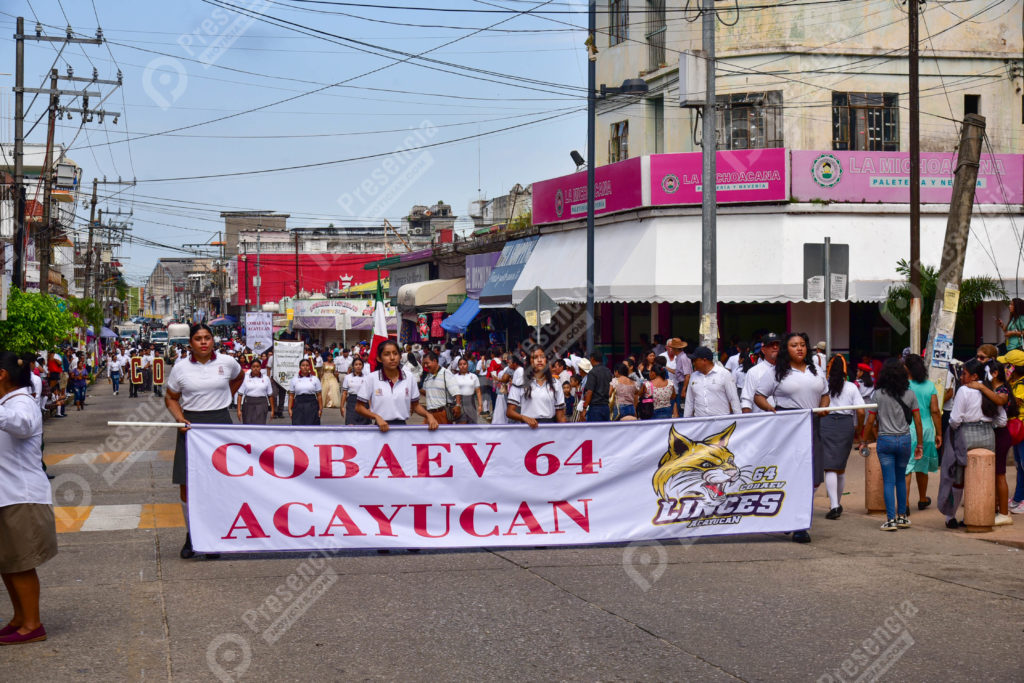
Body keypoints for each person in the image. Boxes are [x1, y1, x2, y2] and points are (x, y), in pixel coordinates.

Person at [164, 323, 243, 559]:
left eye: (207, 337)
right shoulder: (180, 368)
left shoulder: (227, 362)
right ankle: (192, 536)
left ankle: (213, 537)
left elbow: (239, 377)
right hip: (191, 427)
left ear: (213, 340)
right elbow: (171, 397)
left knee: (218, 485)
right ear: (190, 343)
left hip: (220, 425)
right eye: (198, 338)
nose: (204, 342)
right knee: (187, 486)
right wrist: (180, 419)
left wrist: (226, 397)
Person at [0, 351, 57, 645]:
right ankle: (19, 618)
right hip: (7, 494)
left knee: (21, 563)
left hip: (21, 495)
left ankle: (32, 624)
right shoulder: (8, 403)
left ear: (2, 375)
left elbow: (21, 425)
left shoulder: (22, 403)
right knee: (8, 563)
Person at [755, 332, 830, 543]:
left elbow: (825, 394)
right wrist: (770, 409)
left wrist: (823, 408)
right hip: (788, 427)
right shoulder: (777, 372)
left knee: (814, 476)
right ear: (786, 350)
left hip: (812, 424)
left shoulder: (816, 370)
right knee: (794, 474)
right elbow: (759, 396)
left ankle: (792, 515)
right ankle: (798, 524)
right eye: (794, 345)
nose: (799, 348)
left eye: (803, 345)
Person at [859, 358, 924, 531]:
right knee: (901, 478)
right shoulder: (910, 394)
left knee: (888, 481)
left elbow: (870, 420)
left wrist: (863, 441)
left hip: (885, 440)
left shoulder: (878, 394)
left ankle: (890, 520)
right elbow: (917, 421)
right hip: (904, 440)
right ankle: (902, 517)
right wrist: (920, 445)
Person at [355, 340, 438, 432]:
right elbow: (359, 407)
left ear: (400, 356)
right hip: (380, 428)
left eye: (395, 354)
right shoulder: (371, 378)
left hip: (401, 428)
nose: (392, 358)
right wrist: (376, 416)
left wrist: (428, 415)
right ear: (379, 358)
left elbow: (416, 405)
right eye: (387, 354)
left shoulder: (409, 377)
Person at [820, 355, 866, 520]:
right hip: (846, 424)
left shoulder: (824, 386)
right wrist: (858, 429)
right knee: (840, 467)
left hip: (826, 423)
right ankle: (837, 503)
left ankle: (834, 505)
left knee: (829, 466)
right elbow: (861, 411)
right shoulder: (852, 387)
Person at [902, 354, 942, 514]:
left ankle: (905, 504)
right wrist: (939, 433)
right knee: (922, 466)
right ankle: (923, 498)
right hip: (926, 430)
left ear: (907, 368)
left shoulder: (904, 386)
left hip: (908, 428)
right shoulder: (930, 386)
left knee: (907, 468)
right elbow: (935, 411)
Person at [507, 348, 567, 428]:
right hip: (528, 429)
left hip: (549, 429)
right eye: (535, 357)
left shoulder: (556, 383)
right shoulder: (520, 382)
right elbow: (509, 412)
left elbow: (561, 416)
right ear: (529, 361)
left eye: (542, 357)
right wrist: (524, 418)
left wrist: (565, 431)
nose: (539, 360)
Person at [684, 347, 741, 418]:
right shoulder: (693, 376)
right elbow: (689, 401)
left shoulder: (724, 374)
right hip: (700, 422)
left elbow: (733, 399)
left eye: (695, 360)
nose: (693, 363)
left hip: (721, 421)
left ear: (704, 360)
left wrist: (739, 420)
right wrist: (686, 420)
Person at [1001, 350, 1024, 514]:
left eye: (1007, 365)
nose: (1005, 368)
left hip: (1022, 427)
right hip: (1017, 429)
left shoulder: (1021, 384)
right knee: (1019, 465)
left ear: (1014, 367)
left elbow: (1013, 402)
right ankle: (1018, 498)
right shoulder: (1014, 382)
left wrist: (1005, 384)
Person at [741, 334, 780, 413]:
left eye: (777, 345)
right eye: (771, 345)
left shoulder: (788, 370)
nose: (775, 347)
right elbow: (746, 400)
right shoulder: (754, 372)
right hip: (762, 418)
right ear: (763, 350)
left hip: (786, 418)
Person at [421, 351, 461, 425]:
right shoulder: (428, 376)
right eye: (424, 364)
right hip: (430, 414)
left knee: (444, 433)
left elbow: (456, 391)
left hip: (442, 414)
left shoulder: (446, 373)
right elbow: (426, 392)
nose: (425, 366)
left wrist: (458, 405)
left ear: (434, 361)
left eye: (427, 363)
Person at [236, 358, 273, 425]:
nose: (255, 368)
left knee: (260, 425)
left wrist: (272, 410)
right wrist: (238, 410)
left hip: (262, 403)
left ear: (260, 368)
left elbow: (270, 395)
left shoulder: (266, 378)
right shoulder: (245, 378)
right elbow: (240, 395)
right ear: (251, 367)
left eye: (257, 366)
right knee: (248, 424)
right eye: (253, 366)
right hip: (248, 403)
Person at [289, 359, 323, 426]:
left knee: (312, 426)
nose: (305, 367)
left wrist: (320, 409)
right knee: (298, 426)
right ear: (300, 367)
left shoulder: (315, 379)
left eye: (307, 365)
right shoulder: (294, 379)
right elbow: (291, 396)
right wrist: (289, 409)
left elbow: (319, 396)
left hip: (312, 405)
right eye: (303, 365)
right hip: (298, 404)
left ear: (310, 367)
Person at [582, 352, 613, 422]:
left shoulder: (592, 372)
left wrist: (584, 408)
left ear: (592, 359)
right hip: (606, 406)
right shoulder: (608, 371)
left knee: (594, 428)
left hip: (595, 408)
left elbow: (589, 391)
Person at [340, 357, 370, 425]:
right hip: (351, 402)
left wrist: (371, 407)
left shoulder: (367, 378)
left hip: (363, 402)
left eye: (360, 364)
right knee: (351, 425)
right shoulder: (347, 377)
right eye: (356, 364)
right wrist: (341, 406)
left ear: (362, 366)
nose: (358, 366)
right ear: (353, 366)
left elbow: (369, 394)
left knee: (363, 426)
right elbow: (344, 393)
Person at [453, 357, 483, 424]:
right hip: (460, 402)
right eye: (460, 364)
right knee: (461, 423)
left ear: (467, 365)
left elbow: (478, 392)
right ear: (458, 366)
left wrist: (480, 405)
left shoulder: (474, 376)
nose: (462, 366)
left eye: (464, 364)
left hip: (471, 402)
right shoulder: (455, 377)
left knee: (472, 423)